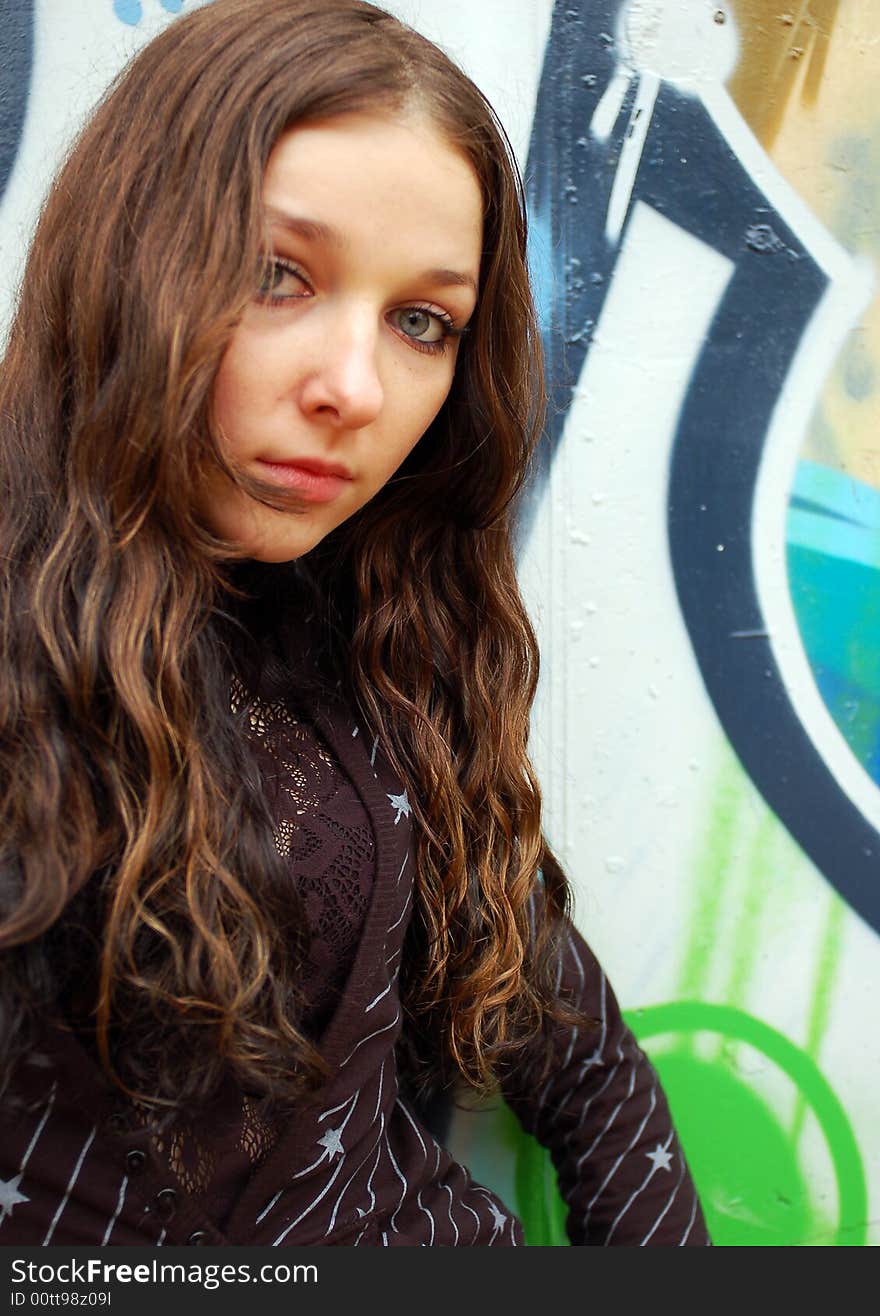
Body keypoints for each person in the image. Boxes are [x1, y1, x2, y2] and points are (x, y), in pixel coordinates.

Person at [0, 0, 710, 1247]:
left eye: (421, 321)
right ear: (131, 260)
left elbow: (586, 1064)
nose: (356, 389)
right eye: (277, 275)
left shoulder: (382, 647)